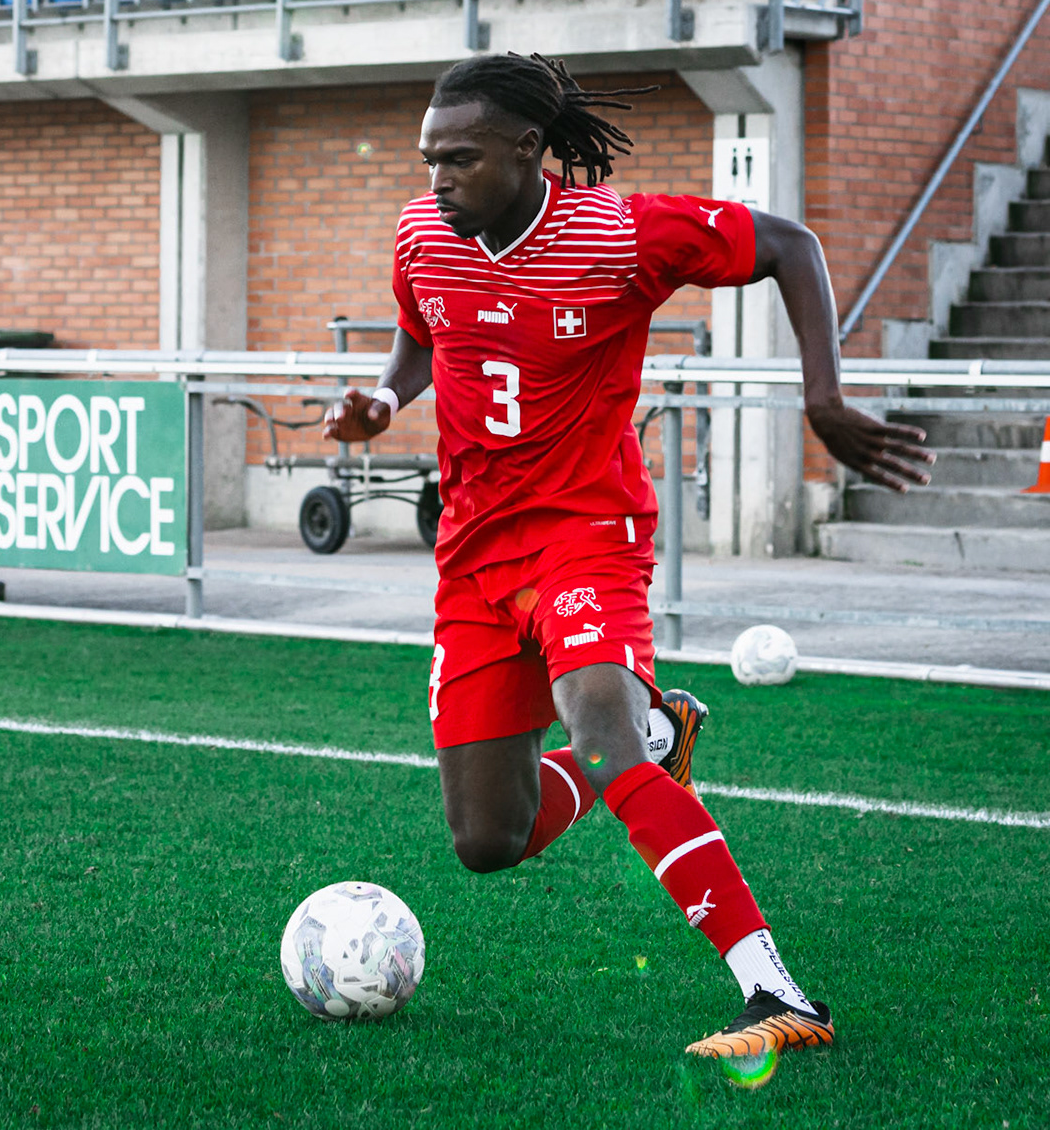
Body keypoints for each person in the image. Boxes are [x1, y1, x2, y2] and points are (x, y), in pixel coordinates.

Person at [322, 53, 931, 1060]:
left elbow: (788, 242)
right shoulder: (424, 230)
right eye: (429, 158)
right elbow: (419, 336)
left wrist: (822, 393)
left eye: (459, 158)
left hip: (585, 530)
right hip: (472, 552)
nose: (436, 179)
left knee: (597, 732)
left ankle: (777, 991)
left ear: (527, 150)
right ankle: (655, 735)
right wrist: (383, 400)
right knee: (487, 840)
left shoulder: (619, 233)